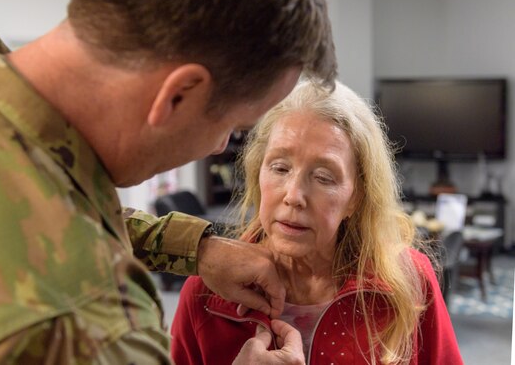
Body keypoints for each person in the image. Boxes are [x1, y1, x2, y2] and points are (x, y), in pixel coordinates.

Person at [0, 0, 337, 363]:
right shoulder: (92, 328)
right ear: (178, 95)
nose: (219, 146)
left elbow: (38, 215)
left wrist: (195, 248)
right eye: (233, 126)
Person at [171, 80, 464, 364]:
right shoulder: (206, 293)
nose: (294, 196)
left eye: (324, 177)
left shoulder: (408, 281)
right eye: (280, 167)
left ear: (356, 197)